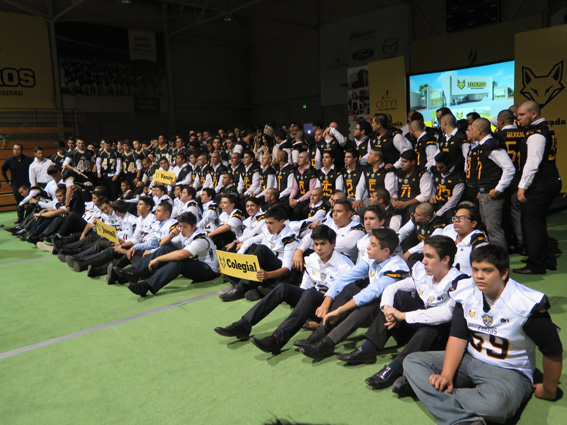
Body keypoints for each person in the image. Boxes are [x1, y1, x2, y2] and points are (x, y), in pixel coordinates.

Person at [404, 244, 563, 425]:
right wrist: (447, 375)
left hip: (509, 371)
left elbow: (552, 350)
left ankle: (428, 393)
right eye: (475, 270)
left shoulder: (525, 303)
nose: (479, 276)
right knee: (413, 361)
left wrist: (549, 390)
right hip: (469, 359)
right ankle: (457, 413)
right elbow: (458, 336)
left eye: (487, 271)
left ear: (503, 273)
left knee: (496, 406)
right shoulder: (466, 292)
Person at [335, 236, 466, 391]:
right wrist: (388, 310)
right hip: (416, 327)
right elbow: (393, 288)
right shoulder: (425, 275)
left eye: (429, 257)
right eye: (424, 255)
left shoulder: (459, 282)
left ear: (445, 260)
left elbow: (446, 314)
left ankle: (395, 368)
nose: (423, 261)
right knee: (400, 297)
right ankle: (369, 348)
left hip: (439, 339)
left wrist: (403, 316)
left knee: (433, 326)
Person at [214, 225, 354, 353]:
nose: (318, 248)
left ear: (333, 243)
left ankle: (276, 339)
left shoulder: (346, 266)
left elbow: (346, 298)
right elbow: (304, 287)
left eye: (323, 244)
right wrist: (301, 309)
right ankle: (244, 324)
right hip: (312, 304)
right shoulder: (311, 259)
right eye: (316, 244)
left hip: (331, 309)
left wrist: (322, 322)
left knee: (310, 294)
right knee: (283, 288)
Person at [297, 228, 409, 360]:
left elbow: (370, 293)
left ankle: (327, 344)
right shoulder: (373, 259)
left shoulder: (396, 267)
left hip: (400, 322)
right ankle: (321, 332)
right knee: (350, 288)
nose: (367, 247)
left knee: (368, 303)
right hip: (381, 313)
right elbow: (345, 278)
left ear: (385, 251)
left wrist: (339, 310)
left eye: (373, 245)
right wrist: (327, 302)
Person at [118, 212, 219, 297]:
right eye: (180, 226)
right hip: (195, 263)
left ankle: (146, 286)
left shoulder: (200, 239)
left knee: (179, 262)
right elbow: (162, 244)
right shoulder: (185, 233)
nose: (181, 229)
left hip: (208, 270)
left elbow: (182, 255)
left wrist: (158, 259)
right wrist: (171, 235)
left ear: (194, 226)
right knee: (167, 248)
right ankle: (134, 272)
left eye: (184, 227)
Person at [513, 100, 562, 274]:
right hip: (549, 179)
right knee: (538, 223)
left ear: (534, 114)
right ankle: (546, 260)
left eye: (521, 115)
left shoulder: (536, 134)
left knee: (532, 224)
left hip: (541, 184)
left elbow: (533, 162)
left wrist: (522, 186)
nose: (517, 118)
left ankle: (536, 265)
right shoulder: (544, 129)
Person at [219, 204, 299, 302]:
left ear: (281, 222)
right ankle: (256, 289)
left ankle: (241, 288)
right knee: (231, 263)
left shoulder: (289, 237)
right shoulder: (267, 230)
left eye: (271, 223)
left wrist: (268, 275)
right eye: (266, 223)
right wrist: (240, 258)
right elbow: (250, 240)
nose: (268, 226)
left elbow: (286, 269)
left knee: (261, 249)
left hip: (278, 272)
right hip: (264, 270)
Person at [470, 118, 515, 250]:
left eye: (472, 129)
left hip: (492, 193)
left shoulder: (492, 146)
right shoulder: (482, 146)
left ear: (479, 130)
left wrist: (498, 189)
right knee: (486, 227)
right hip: (485, 191)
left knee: (493, 228)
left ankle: (500, 263)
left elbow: (509, 168)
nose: (470, 131)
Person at [2, 144, 33, 223]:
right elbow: (3, 170)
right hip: (15, 185)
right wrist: (7, 181)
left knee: (31, 201)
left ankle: (30, 217)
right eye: (14, 149)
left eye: (17, 149)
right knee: (19, 202)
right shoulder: (9, 161)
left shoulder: (29, 160)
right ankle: (20, 217)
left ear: (21, 150)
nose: (15, 151)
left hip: (27, 184)